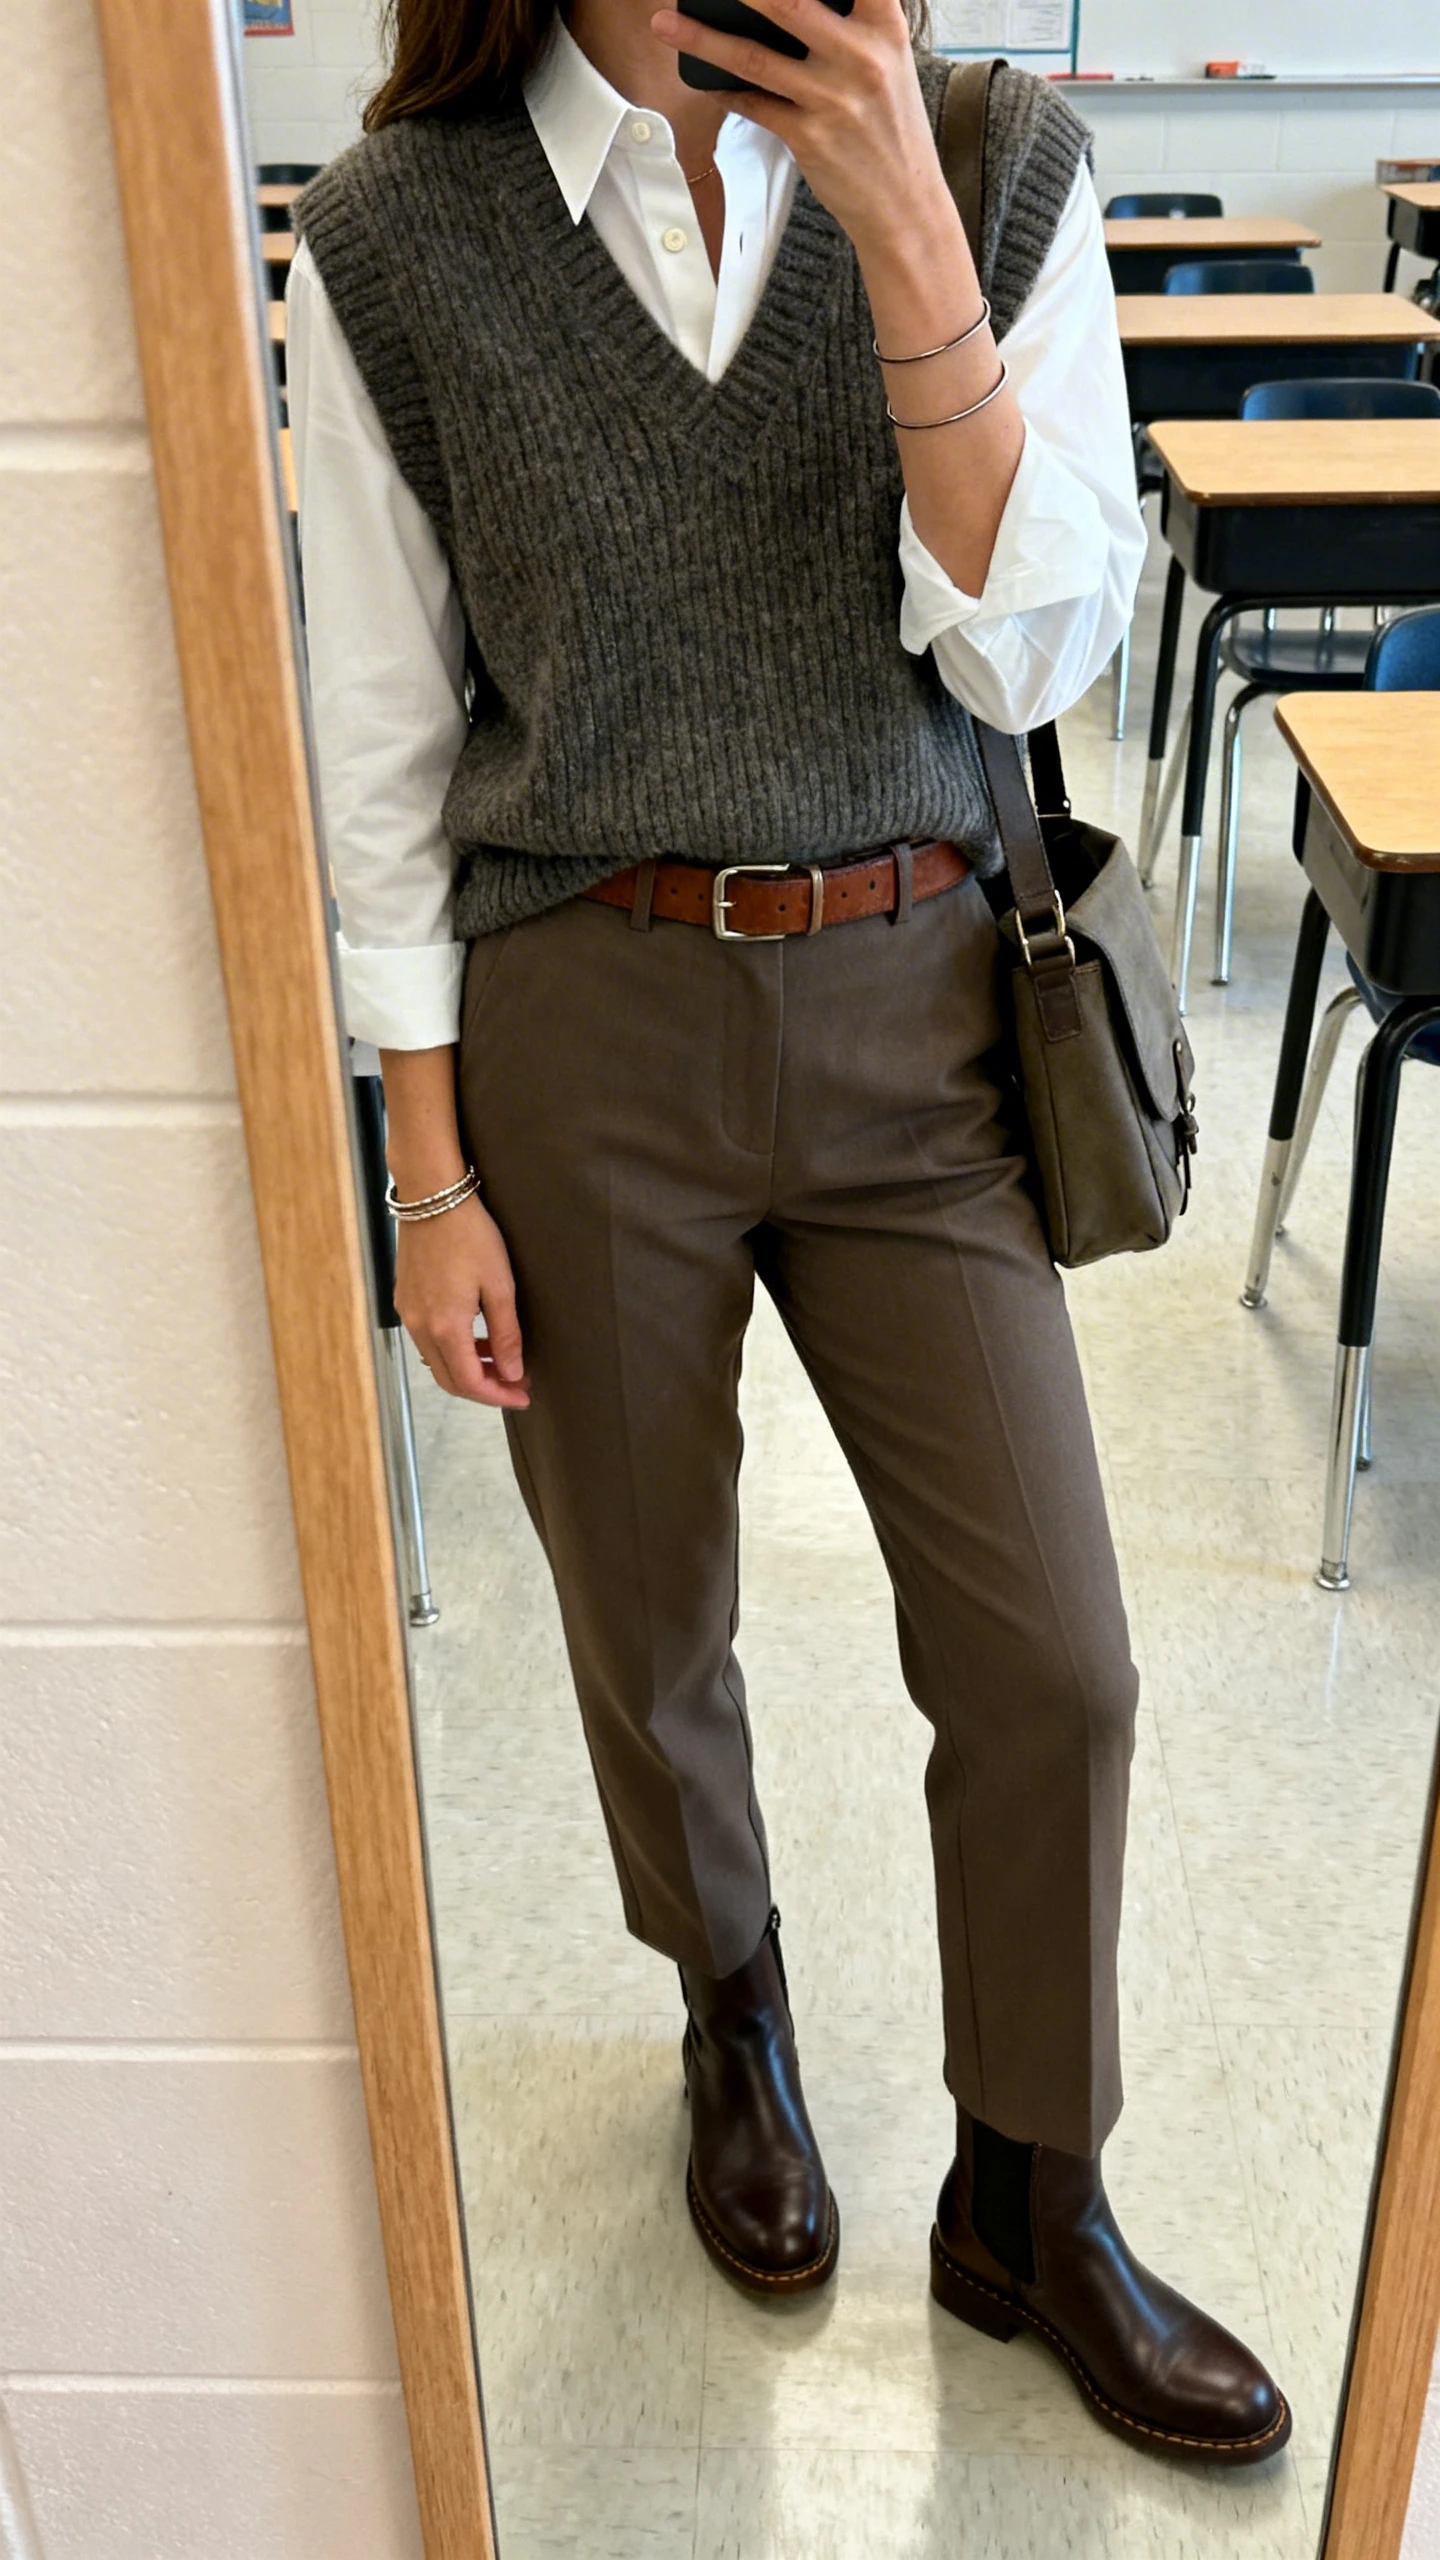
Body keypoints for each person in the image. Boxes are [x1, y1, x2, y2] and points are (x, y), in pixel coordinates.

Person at [287, 0, 1291, 2465]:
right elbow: (389, 736)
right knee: (645, 1619)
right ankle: (727, 2004)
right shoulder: (401, 230)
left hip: (918, 996)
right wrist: (425, 1175)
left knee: (1057, 1655)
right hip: (576, 1022)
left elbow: (1044, 652)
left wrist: (912, 240)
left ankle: (1031, 2185)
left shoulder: (992, 157)